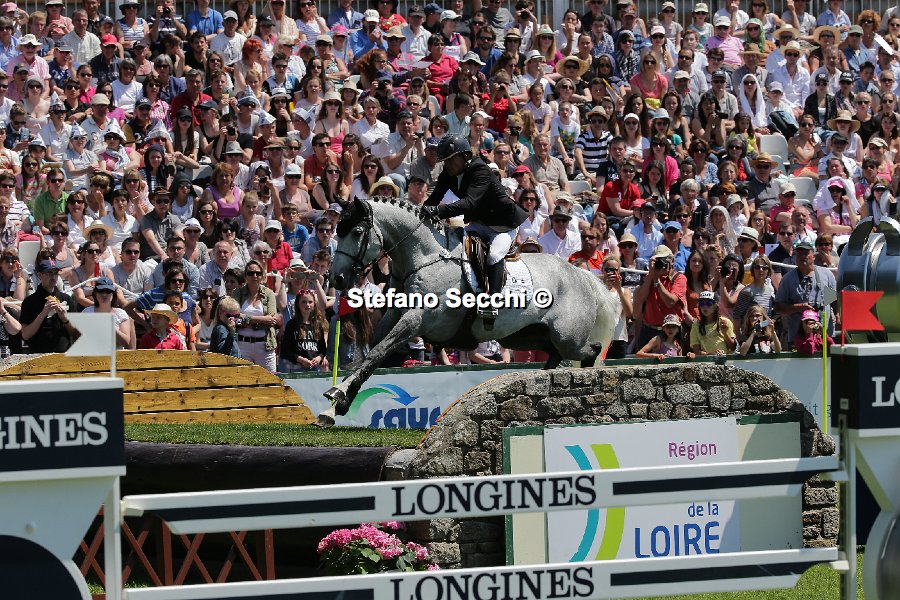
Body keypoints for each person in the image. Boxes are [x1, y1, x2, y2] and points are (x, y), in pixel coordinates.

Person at [423, 134, 527, 320]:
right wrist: (421, 211)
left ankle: (493, 302)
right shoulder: (449, 173)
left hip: (503, 224)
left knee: (494, 255)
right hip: (480, 223)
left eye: (450, 160)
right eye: (444, 161)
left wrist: (437, 211)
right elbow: (434, 199)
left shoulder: (480, 170)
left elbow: (469, 203)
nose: (446, 164)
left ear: (464, 156)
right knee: (456, 247)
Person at [774, 240, 836, 348]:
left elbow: (833, 302)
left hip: (824, 337)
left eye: (806, 253)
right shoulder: (787, 279)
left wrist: (836, 315)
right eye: (799, 254)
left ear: (813, 256)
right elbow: (778, 307)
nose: (802, 256)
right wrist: (799, 308)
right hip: (798, 340)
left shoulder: (827, 275)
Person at [633, 245, 687, 349]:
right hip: (649, 330)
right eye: (658, 260)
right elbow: (640, 299)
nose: (661, 264)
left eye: (664, 260)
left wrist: (657, 281)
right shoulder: (649, 278)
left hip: (670, 332)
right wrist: (651, 275)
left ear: (672, 261)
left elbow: (670, 302)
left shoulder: (679, 278)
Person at [20, 258, 77, 352]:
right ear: (39, 275)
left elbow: (75, 333)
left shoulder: (66, 299)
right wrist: (43, 314)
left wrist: (65, 319)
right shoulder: (29, 302)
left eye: (56, 273)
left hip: (63, 354)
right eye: (49, 273)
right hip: (39, 354)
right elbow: (25, 335)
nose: (53, 277)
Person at [232, 259, 278, 371]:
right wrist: (261, 320)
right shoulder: (237, 293)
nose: (255, 276)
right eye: (251, 273)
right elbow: (234, 316)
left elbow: (271, 320)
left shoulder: (269, 293)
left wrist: (245, 321)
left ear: (262, 276)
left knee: (269, 379)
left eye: (258, 273)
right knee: (244, 379)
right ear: (245, 276)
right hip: (243, 345)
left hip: (265, 345)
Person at [279, 289, 329, 372]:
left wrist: (319, 358)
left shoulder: (317, 324)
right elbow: (285, 351)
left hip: (315, 367)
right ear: (298, 304)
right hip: (296, 368)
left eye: (310, 302)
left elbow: (323, 349)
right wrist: (300, 359)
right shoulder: (291, 324)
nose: (307, 305)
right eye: (304, 302)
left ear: (314, 304)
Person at [690, 290, 737, 355]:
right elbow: (696, 352)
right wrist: (710, 354)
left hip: (725, 359)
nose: (704, 307)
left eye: (709, 303)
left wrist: (725, 333)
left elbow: (733, 347)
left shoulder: (725, 322)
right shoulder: (696, 325)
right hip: (706, 361)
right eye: (701, 303)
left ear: (716, 305)